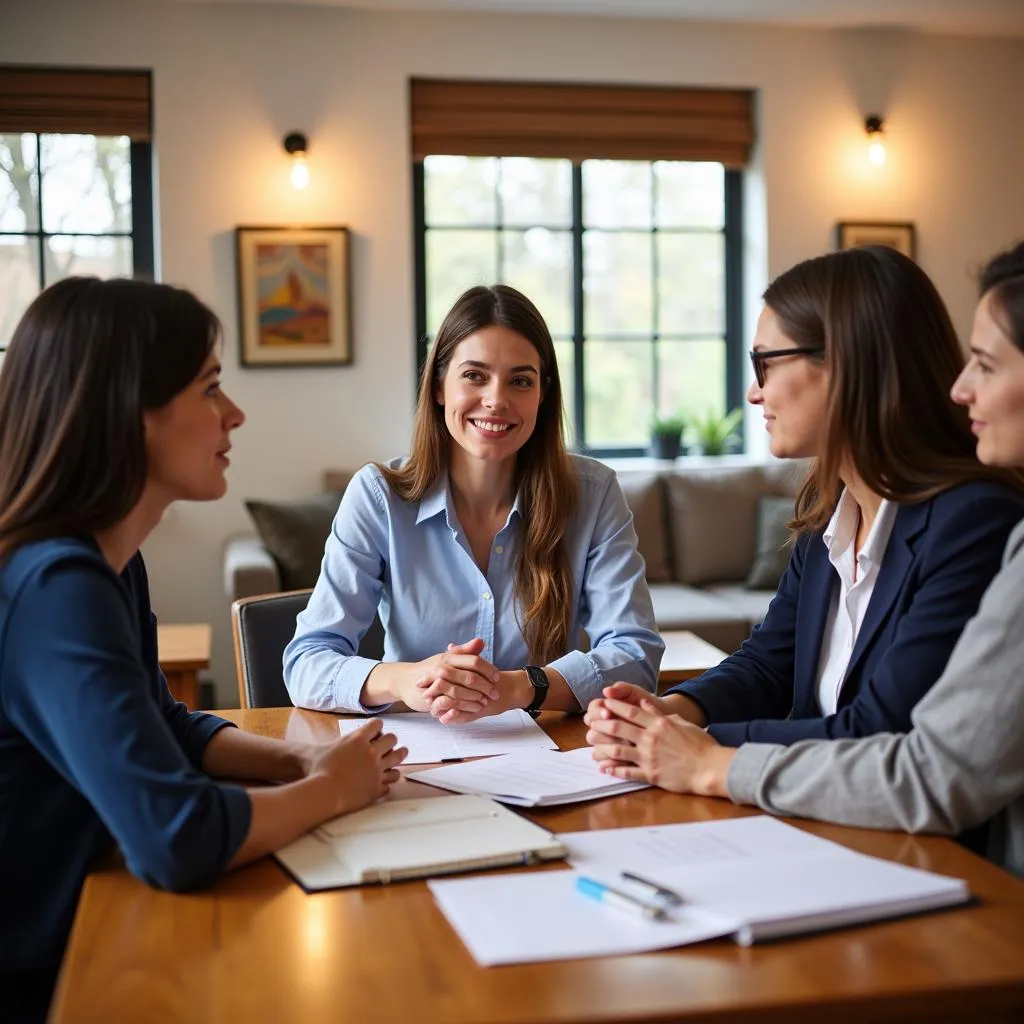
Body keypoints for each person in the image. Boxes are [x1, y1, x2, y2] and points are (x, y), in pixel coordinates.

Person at [0, 278, 406, 1023]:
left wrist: (300, 759)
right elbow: (174, 837)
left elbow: (165, 721)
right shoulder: (58, 589)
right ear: (131, 413)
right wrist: (333, 791)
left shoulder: (107, 564)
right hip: (40, 973)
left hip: (85, 915)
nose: (235, 414)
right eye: (210, 388)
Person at [583, 241, 1024, 878]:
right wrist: (674, 713)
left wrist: (697, 754)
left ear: (846, 366)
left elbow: (882, 730)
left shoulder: (974, 523)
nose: (753, 391)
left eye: (765, 362)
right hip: (825, 833)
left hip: (915, 857)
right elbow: (769, 659)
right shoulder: (830, 512)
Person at [284, 284, 662, 722]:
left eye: (520, 380)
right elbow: (307, 663)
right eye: (474, 375)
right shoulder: (378, 497)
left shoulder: (593, 493)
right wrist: (408, 680)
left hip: (549, 756)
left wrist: (519, 687)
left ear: (542, 394)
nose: (496, 400)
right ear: (440, 386)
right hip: (415, 754)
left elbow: (636, 658)